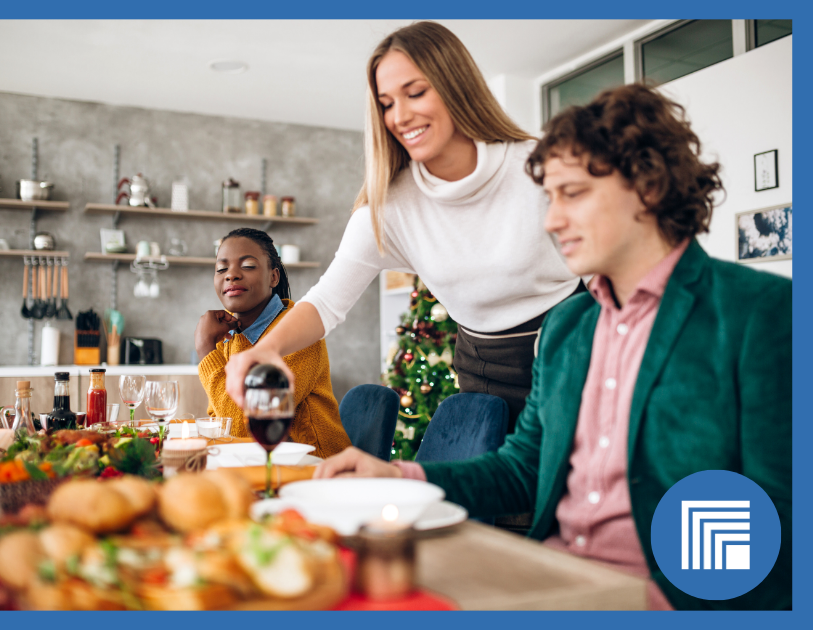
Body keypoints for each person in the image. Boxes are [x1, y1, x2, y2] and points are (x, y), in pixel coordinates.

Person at [314, 84, 792, 611]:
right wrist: (400, 476)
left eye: (574, 193)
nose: (551, 220)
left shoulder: (758, 312)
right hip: (549, 575)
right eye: (550, 197)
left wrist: (656, 600)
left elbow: (781, 511)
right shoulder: (568, 328)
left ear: (648, 186)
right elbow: (522, 470)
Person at [223, 21, 581, 430]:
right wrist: (267, 349)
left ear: (456, 85)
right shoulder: (389, 205)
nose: (400, 116)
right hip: (483, 382)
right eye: (387, 103)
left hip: (576, 354)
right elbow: (326, 302)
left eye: (416, 93)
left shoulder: (538, 167)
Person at [195, 228, 351, 459]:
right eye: (221, 268)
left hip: (314, 468)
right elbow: (219, 418)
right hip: (262, 463)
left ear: (273, 277)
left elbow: (244, 428)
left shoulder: (296, 333)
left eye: (247, 265)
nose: (231, 275)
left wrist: (206, 350)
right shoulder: (230, 337)